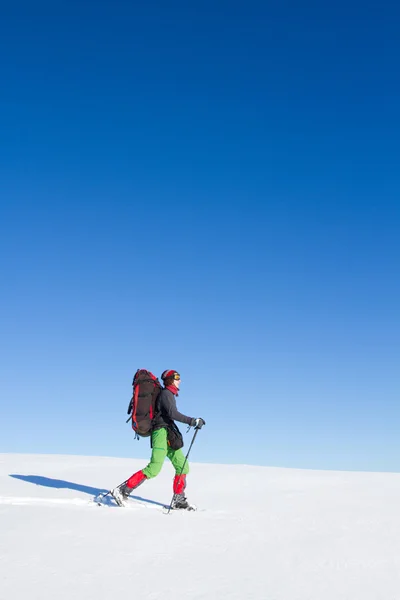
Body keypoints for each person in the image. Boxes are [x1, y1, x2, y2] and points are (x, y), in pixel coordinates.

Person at [111, 369, 205, 509]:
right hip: (160, 433)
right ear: (170, 380)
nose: (179, 380)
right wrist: (192, 421)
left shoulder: (169, 394)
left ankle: (178, 500)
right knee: (154, 468)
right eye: (177, 377)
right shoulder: (166, 394)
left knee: (182, 466)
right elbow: (172, 413)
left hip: (168, 434)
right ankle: (122, 490)